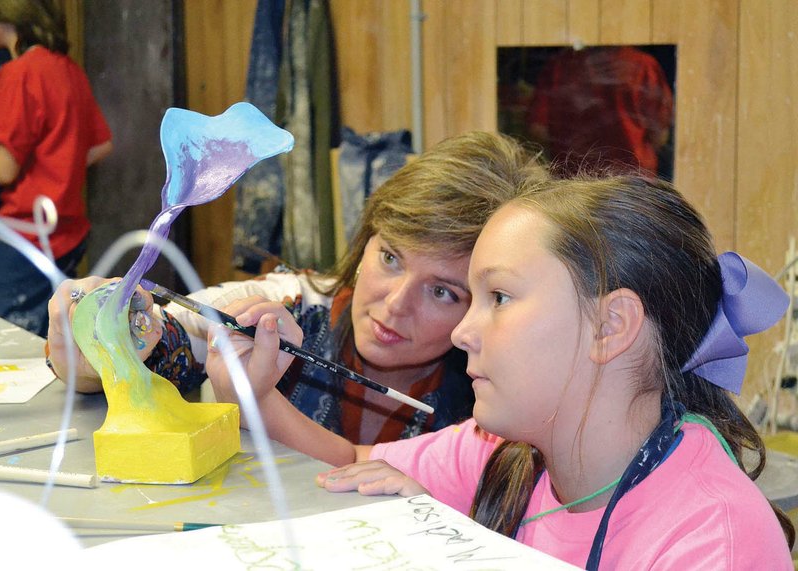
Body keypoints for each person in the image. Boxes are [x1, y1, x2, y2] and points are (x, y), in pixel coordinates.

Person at [223, 174, 795, 568]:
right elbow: (349, 463)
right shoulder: (502, 455)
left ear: (610, 326)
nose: (462, 331)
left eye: (497, 296)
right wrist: (253, 395)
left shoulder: (713, 539)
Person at [47, 131, 547, 444]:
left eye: (443, 292)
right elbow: (162, 339)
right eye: (390, 258)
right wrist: (91, 344)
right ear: (365, 237)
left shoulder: (506, 385)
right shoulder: (293, 307)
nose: (395, 305)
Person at [0, 0, 113, 336]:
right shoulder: (67, 68)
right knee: (55, 344)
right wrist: (57, 165)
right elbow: (101, 146)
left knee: (16, 351)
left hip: (24, 238)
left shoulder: (20, 73)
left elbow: (5, 169)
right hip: (66, 233)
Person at [526, 46, 673, 178]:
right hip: (633, 185)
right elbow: (659, 136)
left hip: (574, 183)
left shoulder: (560, 65)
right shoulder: (643, 65)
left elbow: (539, 129)